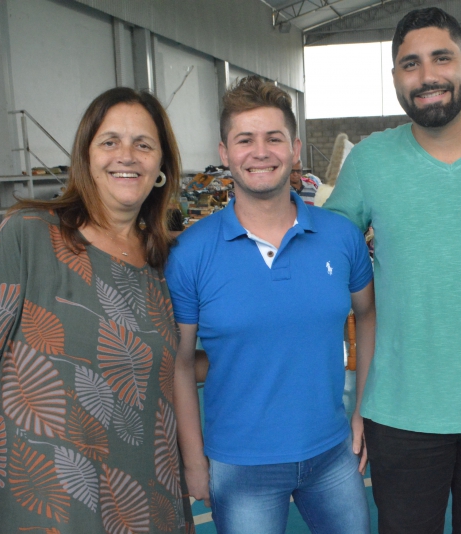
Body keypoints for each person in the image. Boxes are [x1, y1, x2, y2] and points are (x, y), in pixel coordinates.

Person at [324, 7, 461, 534]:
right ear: (395, 76)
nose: (426, 76)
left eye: (441, 58)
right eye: (410, 64)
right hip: (401, 411)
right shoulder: (370, 161)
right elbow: (322, 253)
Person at [0, 87, 194, 533]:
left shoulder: (165, 263)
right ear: (85, 157)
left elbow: (172, 366)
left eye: (143, 144)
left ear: (161, 167)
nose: (127, 155)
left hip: (146, 505)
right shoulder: (30, 237)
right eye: (110, 141)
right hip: (41, 511)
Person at [167, 76, 374, 534]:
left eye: (273, 138)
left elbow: (367, 314)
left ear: (295, 149)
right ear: (225, 152)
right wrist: (194, 459)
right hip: (240, 465)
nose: (260, 152)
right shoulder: (191, 253)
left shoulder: (341, 237)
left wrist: (363, 409)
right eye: (245, 140)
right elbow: (180, 363)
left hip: (332, 454)